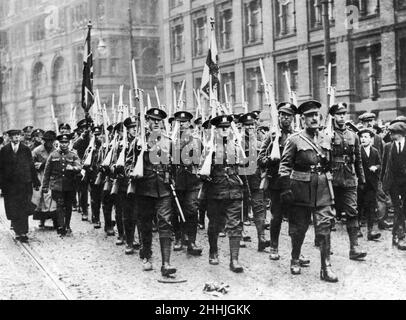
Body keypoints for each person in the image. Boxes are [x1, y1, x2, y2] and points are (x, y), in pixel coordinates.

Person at [279, 100, 338, 282]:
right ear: (303, 119)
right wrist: (286, 189)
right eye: (310, 116)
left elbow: (330, 163)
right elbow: (284, 166)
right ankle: (295, 257)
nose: (314, 119)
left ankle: (326, 267)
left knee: (324, 228)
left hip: (322, 189)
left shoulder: (326, 138)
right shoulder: (295, 139)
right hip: (301, 190)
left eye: (316, 115)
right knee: (299, 228)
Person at [259, 102, 310, 265]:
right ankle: (274, 247)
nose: (284, 118)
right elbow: (259, 159)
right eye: (282, 115)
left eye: (288, 116)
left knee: (296, 218)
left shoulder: (298, 136)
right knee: (277, 216)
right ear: (278, 117)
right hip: (276, 182)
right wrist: (271, 160)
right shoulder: (272, 135)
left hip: (294, 182)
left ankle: (297, 251)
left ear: (293, 118)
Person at [133, 107, 177, 276]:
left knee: (165, 222)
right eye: (153, 120)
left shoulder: (168, 141)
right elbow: (129, 163)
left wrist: (171, 176)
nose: (157, 122)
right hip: (145, 188)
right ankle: (146, 255)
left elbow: (174, 165)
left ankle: (166, 263)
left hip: (164, 188)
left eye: (159, 120)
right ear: (147, 122)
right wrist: (135, 170)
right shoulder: (139, 142)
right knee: (145, 223)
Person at [203, 115, 244, 273]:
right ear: (216, 129)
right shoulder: (209, 147)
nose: (225, 129)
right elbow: (201, 172)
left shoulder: (236, 145)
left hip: (234, 190)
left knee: (235, 225)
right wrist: (209, 157)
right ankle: (213, 251)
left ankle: (234, 260)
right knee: (215, 224)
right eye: (222, 127)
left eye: (227, 126)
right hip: (215, 191)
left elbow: (246, 164)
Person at [330, 103, 367, 261]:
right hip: (332, 178)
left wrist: (362, 178)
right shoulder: (327, 134)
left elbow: (358, 159)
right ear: (333, 116)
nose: (342, 117)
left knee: (352, 212)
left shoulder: (353, 135)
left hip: (350, 178)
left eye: (344, 114)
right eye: (339, 114)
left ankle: (354, 247)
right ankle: (325, 245)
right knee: (328, 214)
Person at [0, 129, 40, 242]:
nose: (16, 138)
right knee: (13, 207)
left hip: (24, 184)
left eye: (18, 135)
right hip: (10, 185)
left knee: (23, 207)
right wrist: (2, 184)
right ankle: (17, 231)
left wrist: (35, 181)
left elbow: (31, 166)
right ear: (9, 137)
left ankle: (23, 232)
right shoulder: (4, 150)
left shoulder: (26, 149)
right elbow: (1, 168)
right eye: (14, 136)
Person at [172, 111, 203, 256]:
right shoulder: (171, 139)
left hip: (192, 180)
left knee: (191, 209)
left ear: (189, 123)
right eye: (178, 122)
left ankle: (192, 240)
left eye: (184, 122)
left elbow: (198, 159)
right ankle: (178, 238)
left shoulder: (195, 140)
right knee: (176, 210)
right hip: (176, 180)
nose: (181, 125)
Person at [239, 112, 270, 252]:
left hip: (256, 179)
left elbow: (264, 158)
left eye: (252, 125)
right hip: (240, 180)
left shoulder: (260, 141)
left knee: (259, 207)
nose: (250, 127)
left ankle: (261, 237)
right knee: (239, 208)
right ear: (242, 126)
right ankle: (239, 234)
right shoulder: (237, 141)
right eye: (247, 125)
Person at [42, 134, 81, 236]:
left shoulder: (73, 155)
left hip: (70, 186)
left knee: (68, 206)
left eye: (66, 142)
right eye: (62, 143)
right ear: (59, 143)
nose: (64, 145)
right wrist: (45, 186)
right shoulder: (53, 155)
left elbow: (79, 166)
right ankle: (61, 226)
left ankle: (67, 225)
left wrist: (73, 168)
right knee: (59, 206)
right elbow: (47, 172)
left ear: (68, 143)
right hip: (57, 185)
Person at [382, 120, 406, 250]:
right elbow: (385, 166)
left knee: (404, 209)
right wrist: (383, 184)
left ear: (400, 134)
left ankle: (395, 234)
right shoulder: (388, 147)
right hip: (394, 183)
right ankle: (401, 236)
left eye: (393, 133)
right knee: (398, 208)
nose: (390, 135)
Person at [357, 127, 381, 241]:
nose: (363, 139)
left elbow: (380, 164)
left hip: (371, 184)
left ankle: (370, 231)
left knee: (371, 208)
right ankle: (357, 229)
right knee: (358, 206)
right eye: (361, 137)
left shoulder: (375, 151)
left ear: (371, 139)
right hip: (360, 184)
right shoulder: (357, 151)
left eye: (366, 137)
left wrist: (375, 167)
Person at [32, 130, 58, 229]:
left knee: (52, 198)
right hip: (41, 176)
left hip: (52, 176)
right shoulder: (37, 150)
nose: (49, 143)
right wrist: (40, 165)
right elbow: (31, 163)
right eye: (47, 141)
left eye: (51, 141)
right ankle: (41, 220)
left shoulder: (55, 150)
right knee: (41, 198)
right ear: (44, 141)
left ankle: (55, 220)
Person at [73, 119, 91, 221]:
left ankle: (95, 215)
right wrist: (82, 136)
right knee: (83, 190)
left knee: (94, 191)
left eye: (87, 127)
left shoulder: (93, 136)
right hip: (82, 166)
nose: (85, 129)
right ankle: (84, 210)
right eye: (83, 128)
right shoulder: (80, 138)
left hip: (93, 167)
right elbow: (74, 146)